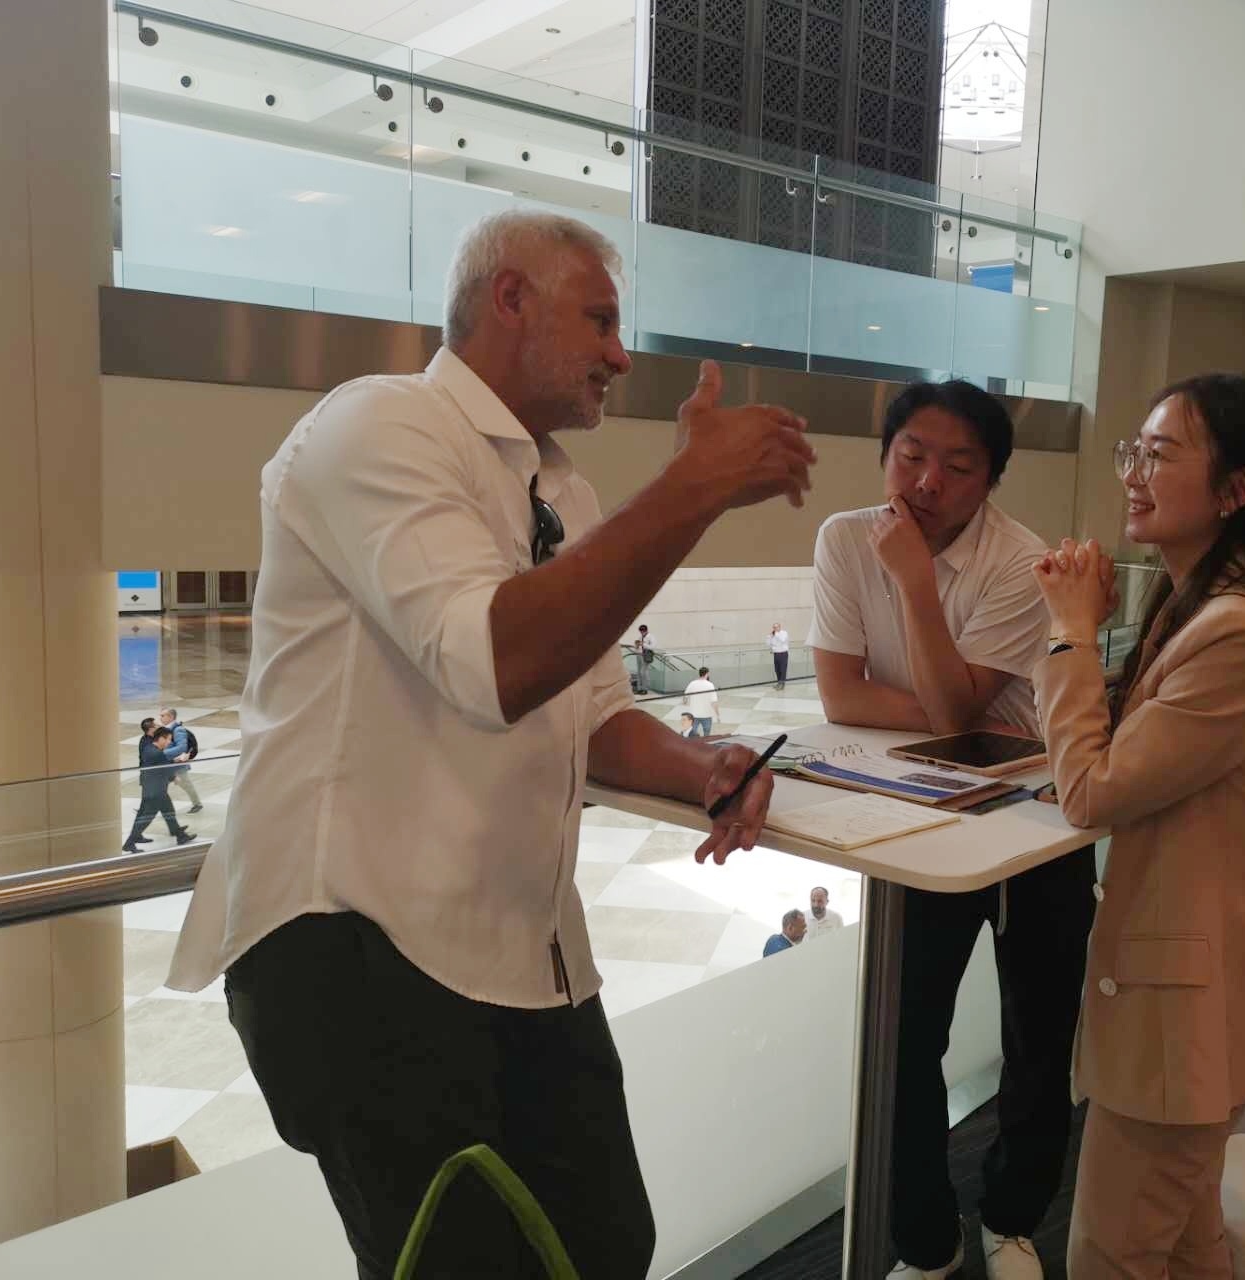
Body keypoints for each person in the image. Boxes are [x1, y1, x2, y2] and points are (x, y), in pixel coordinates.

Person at [165, 210, 815, 1280]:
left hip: (528, 953)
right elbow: (491, 662)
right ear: (509, 297)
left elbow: (594, 711)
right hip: (358, 945)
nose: (620, 355)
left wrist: (704, 767)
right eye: (599, 320)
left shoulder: (564, 488)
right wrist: (693, 486)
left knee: (611, 1245)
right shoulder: (378, 425)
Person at [1030, 374, 1245, 1280]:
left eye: (1159, 455)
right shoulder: (1196, 602)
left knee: (1110, 1255)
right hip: (1195, 995)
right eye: (1133, 451)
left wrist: (1070, 632)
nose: (1133, 473)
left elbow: (1092, 792)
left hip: (1188, 1014)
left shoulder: (1236, 631)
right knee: (1190, 1244)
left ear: (1237, 489)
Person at [809, 380, 1096, 1280]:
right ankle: (925, 1243)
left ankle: (1012, 1218)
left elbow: (950, 705)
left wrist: (912, 582)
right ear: (885, 454)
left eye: (959, 466)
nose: (928, 481)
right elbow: (841, 695)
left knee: (1039, 1037)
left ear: (992, 479)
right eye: (911, 456)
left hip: (1035, 819)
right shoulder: (843, 538)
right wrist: (945, 713)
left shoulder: (1021, 560)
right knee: (902, 1041)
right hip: (918, 819)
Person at [123, 726, 194, 851]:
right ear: (161, 738)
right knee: (146, 817)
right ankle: (130, 842)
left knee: (168, 811)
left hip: (152, 788)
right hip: (156, 791)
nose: (169, 742)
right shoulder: (157, 753)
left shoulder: (149, 749)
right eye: (168, 739)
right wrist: (180, 761)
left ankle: (179, 834)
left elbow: (162, 765)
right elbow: (166, 769)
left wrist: (175, 762)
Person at [159, 707, 204, 813]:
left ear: (171, 717)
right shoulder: (166, 729)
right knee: (156, 786)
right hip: (168, 764)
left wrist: (163, 753)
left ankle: (197, 804)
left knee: (186, 785)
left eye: (162, 716)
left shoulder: (178, 730)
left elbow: (181, 748)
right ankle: (147, 808)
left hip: (177, 765)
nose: (160, 718)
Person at [682, 666, 718, 737]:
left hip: (694, 714)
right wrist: (717, 714)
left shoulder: (692, 683)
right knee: (706, 735)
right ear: (707, 674)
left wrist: (685, 702)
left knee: (692, 734)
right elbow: (714, 701)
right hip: (706, 714)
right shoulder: (710, 685)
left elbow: (685, 697)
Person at [633, 623, 655, 694]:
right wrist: (636, 646)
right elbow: (638, 646)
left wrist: (643, 644)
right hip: (639, 655)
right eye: (641, 632)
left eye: (643, 631)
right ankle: (639, 688)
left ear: (646, 630)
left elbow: (652, 647)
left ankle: (645, 689)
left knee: (644, 672)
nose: (642, 633)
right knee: (639, 672)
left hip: (646, 656)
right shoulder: (640, 637)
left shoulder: (651, 637)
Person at [769, 621, 790, 690]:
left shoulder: (784, 633)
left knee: (782, 669)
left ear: (779, 627)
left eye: (776, 627)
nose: (775, 628)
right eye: (774, 627)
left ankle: (782, 684)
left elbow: (782, 640)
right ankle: (779, 682)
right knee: (777, 669)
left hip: (783, 653)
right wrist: (770, 637)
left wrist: (776, 634)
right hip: (776, 653)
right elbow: (770, 643)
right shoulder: (773, 634)